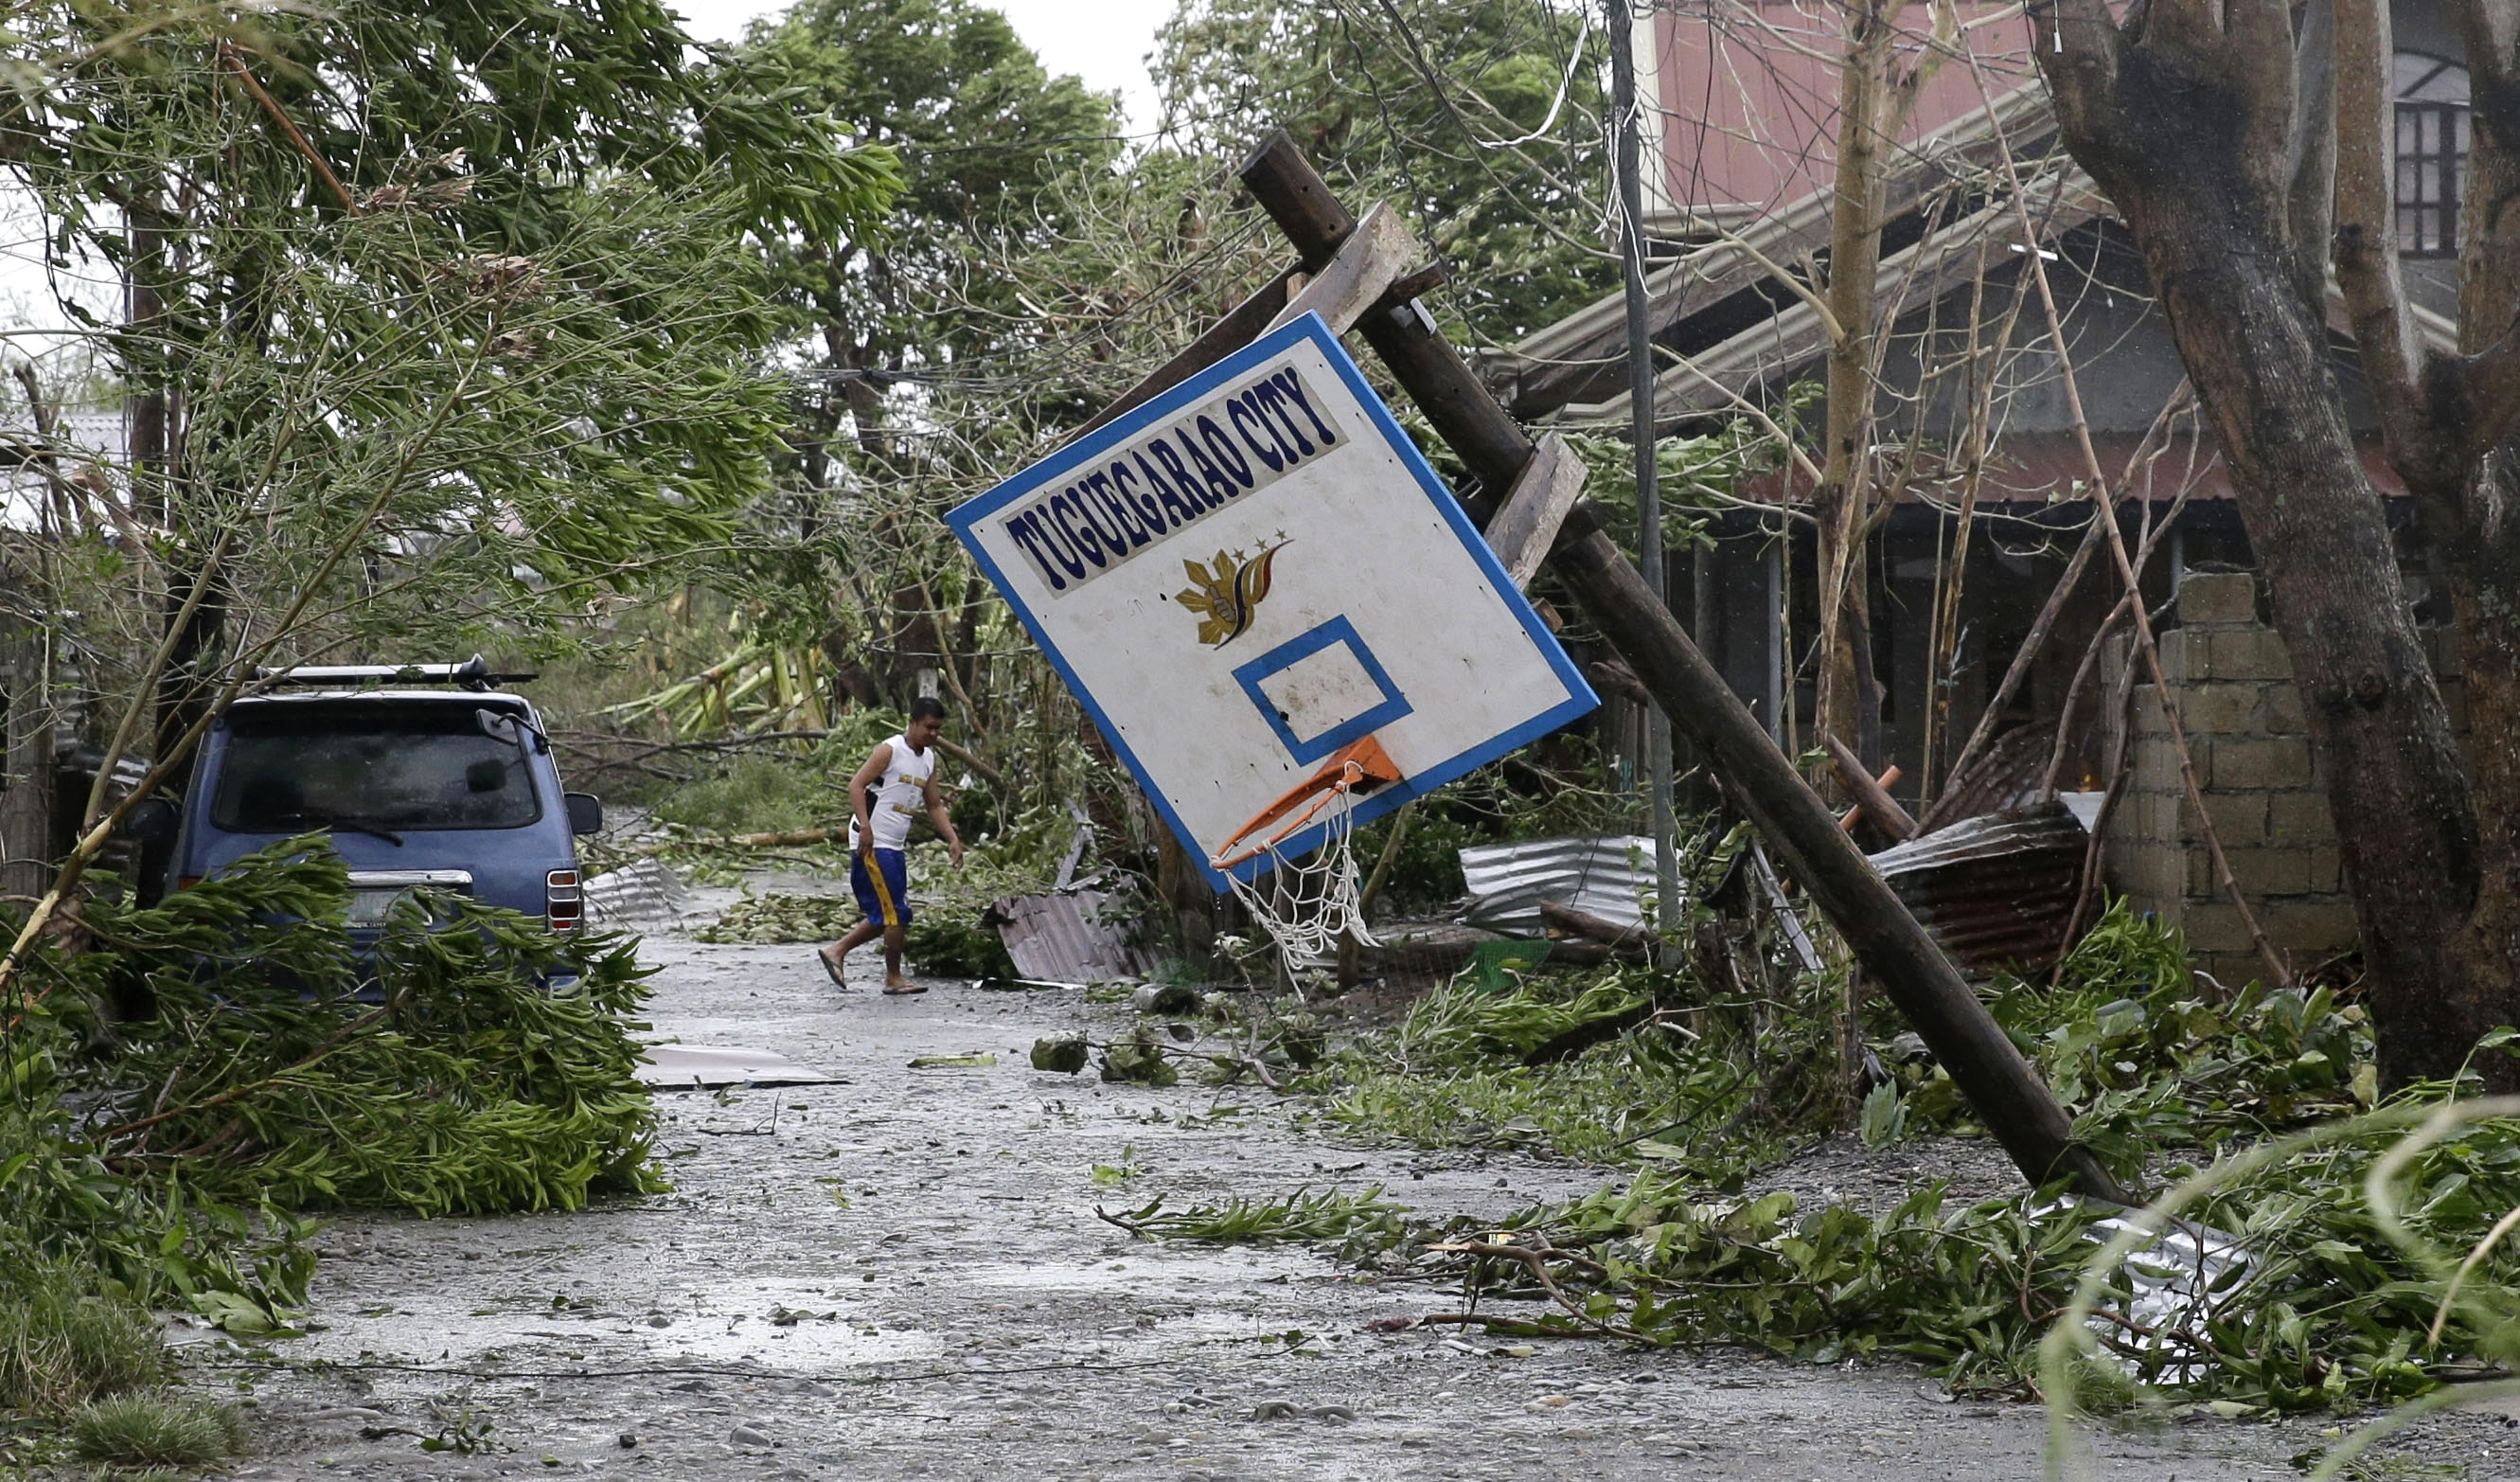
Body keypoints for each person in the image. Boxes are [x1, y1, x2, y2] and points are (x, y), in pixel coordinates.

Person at [817, 698, 963, 994]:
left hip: (895, 845)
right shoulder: (890, 750)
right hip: (872, 841)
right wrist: (865, 826)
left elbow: (933, 804)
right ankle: (893, 978)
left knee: (889, 914)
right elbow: (856, 785)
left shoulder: (928, 760)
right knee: (896, 912)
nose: (933, 734)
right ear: (913, 722)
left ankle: (837, 951)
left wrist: (952, 839)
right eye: (929, 727)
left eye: (938, 729)